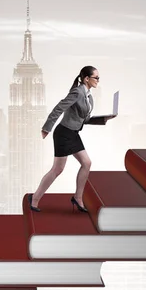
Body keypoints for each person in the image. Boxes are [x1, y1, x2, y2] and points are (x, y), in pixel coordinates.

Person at [28, 65, 115, 213]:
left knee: (86, 163)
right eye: (96, 78)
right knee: (57, 170)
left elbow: (84, 119)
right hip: (63, 134)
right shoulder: (77, 92)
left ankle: (78, 198)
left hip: (73, 134)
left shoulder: (89, 96)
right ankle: (35, 199)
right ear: (87, 79)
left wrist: (104, 119)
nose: (98, 81)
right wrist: (46, 128)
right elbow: (59, 108)